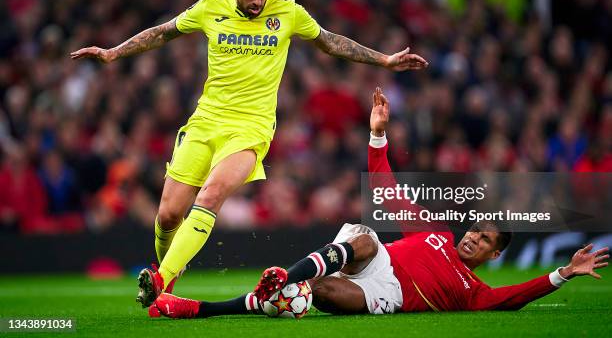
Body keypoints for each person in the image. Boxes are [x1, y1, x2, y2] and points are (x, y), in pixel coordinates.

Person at [70, 0, 428, 308]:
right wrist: (114, 52)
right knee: (167, 215)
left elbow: (331, 41)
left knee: (209, 196)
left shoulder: (288, 13)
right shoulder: (210, 8)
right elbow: (163, 33)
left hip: (250, 130)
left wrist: (384, 59)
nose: (259, 0)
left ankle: (160, 279)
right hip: (204, 123)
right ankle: (168, 279)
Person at [150, 87, 609, 318]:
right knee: (366, 233)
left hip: (383, 293)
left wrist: (563, 274)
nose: (472, 238)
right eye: (475, 230)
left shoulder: (474, 294)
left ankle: (203, 308)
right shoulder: (436, 235)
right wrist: (377, 134)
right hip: (374, 258)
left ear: (495, 253)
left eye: (484, 240)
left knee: (315, 294)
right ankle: (282, 281)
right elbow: (387, 191)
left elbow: (513, 298)